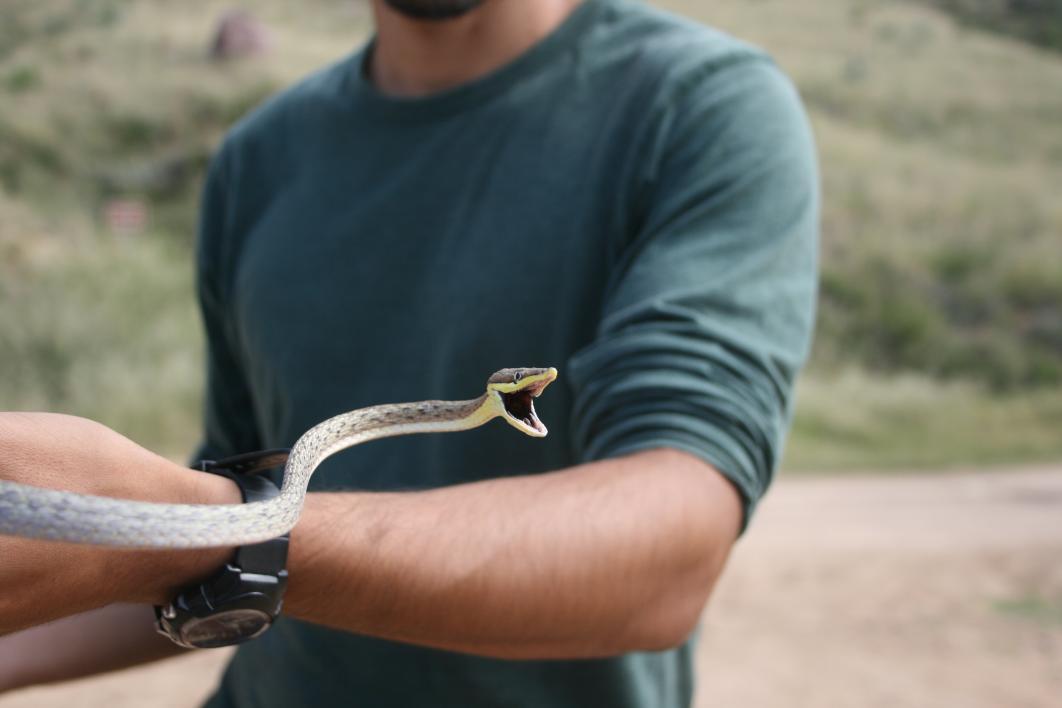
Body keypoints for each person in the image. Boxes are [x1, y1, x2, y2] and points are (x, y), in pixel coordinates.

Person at [0, 0, 818, 705]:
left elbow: (667, 553)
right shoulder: (260, 159)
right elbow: (184, 532)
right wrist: (179, 532)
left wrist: (208, 531)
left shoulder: (701, 108)